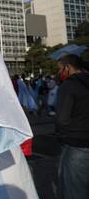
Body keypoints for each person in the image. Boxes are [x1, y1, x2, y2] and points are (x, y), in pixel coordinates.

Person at [55, 54, 89, 199]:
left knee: (73, 190)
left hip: (76, 144)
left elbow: (62, 119)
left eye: (60, 69)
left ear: (67, 68)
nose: (59, 73)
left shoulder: (68, 85)